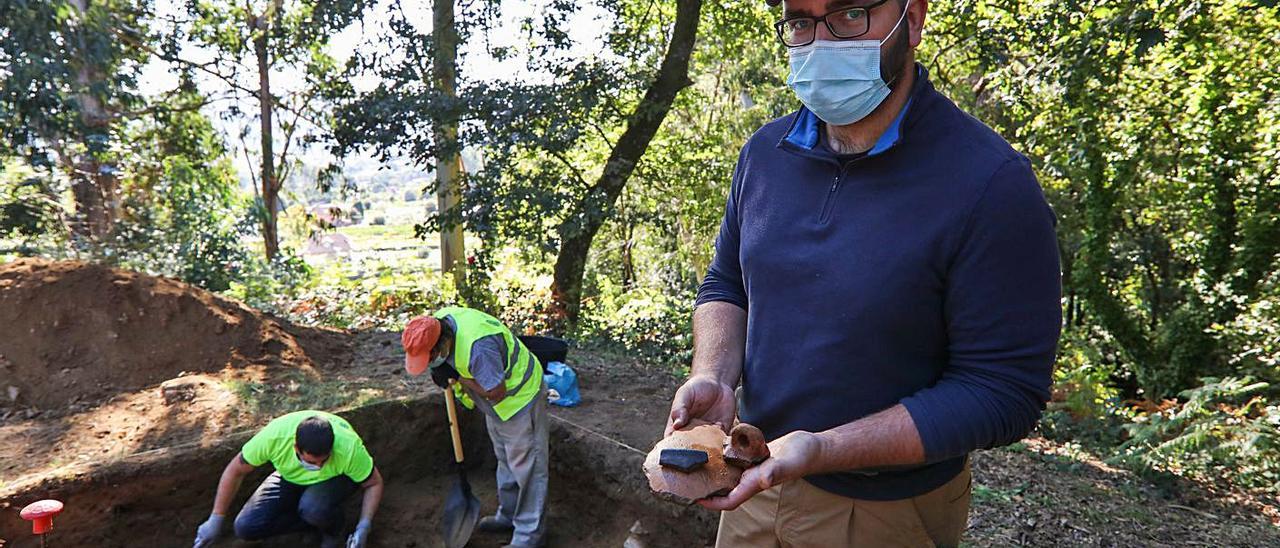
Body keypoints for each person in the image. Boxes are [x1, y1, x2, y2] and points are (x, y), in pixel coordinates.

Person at [665, 0, 1062, 546]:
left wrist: (823, 449)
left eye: (851, 13)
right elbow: (728, 283)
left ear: (914, 19)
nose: (822, 41)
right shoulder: (764, 154)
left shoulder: (990, 183)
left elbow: (1002, 391)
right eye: (802, 20)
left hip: (888, 514)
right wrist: (713, 373)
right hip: (750, 485)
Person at [402, 307, 549, 548]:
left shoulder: (478, 348)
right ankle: (509, 516)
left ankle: (528, 537)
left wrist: (458, 376)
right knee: (506, 461)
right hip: (496, 406)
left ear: (441, 344)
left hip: (519, 398)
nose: (427, 363)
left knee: (528, 469)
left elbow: (496, 392)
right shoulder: (434, 325)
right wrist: (441, 369)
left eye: (429, 358)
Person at [193, 410, 383, 548]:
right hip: (289, 476)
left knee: (313, 507)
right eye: (311, 461)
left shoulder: (348, 449)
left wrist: (364, 526)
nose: (317, 467)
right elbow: (235, 470)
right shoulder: (274, 438)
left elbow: (374, 483)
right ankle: (311, 523)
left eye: (323, 461)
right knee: (246, 527)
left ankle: (334, 529)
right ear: (296, 448)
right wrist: (216, 518)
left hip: (335, 479)